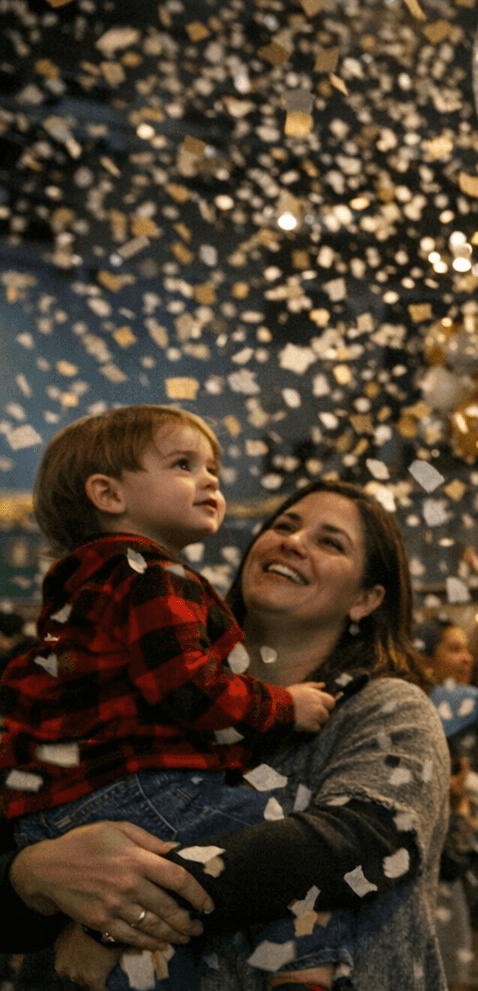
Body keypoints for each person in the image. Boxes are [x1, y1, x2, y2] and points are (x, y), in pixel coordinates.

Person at [5, 480, 450, 991]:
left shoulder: (386, 709)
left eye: (331, 542)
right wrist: (32, 873)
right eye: (283, 525)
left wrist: (113, 917)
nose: (293, 541)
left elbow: (359, 845)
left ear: (367, 599)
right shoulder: (152, 685)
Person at [1, 406, 348, 989]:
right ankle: (302, 973)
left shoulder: (84, 588)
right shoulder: (153, 577)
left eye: (211, 466)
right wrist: (286, 705)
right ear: (109, 494)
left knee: (151, 939)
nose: (211, 479)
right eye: (183, 465)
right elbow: (192, 691)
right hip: (143, 789)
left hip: (53, 813)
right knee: (291, 843)